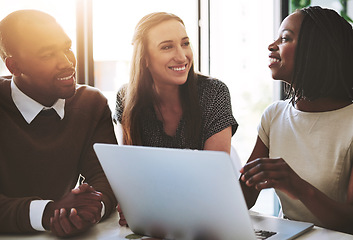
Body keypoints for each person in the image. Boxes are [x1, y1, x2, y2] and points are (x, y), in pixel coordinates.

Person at [0, 10, 117, 237]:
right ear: (14, 67)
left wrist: (89, 211)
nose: (67, 63)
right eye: (47, 55)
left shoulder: (92, 103)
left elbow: (105, 178)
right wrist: (49, 213)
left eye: (66, 48)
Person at [114, 12, 238, 225]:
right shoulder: (126, 98)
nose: (182, 56)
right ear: (144, 59)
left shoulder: (213, 93)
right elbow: (129, 177)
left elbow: (213, 180)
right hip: (154, 220)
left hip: (207, 218)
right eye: (166, 47)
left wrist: (152, 204)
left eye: (185, 43)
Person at [240, 6, 353, 234]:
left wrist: (297, 186)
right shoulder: (274, 115)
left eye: (285, 39)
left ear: (316, 52)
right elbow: (244, 199)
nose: (272, 46)